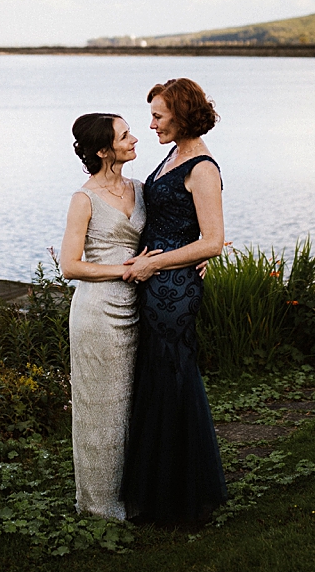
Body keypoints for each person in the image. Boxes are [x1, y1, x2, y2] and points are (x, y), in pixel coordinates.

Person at [120, 78, 227, 525]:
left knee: (173, 379)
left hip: (173, 291)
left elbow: (214, 240)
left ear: (181, 116)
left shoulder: (201, 166)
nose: (151, 125)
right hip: (158, 284)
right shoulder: (173, 155)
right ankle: (157, 487)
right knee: (157, 379)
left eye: (159, 116)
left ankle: (180, 497)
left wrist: (155, 266)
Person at [59, 113, 145, 520]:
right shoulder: (84, 199)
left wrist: (200, 255)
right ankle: (99, 507)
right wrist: (125, 270)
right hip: (97, 312)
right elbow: (70, 266)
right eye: (125, 135)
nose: (135, 139)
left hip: (137, 309)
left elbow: (166, 240)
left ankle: (136, 493)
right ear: (102, 150)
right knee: (99, 407)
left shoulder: (142, 190)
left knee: (133, 405)